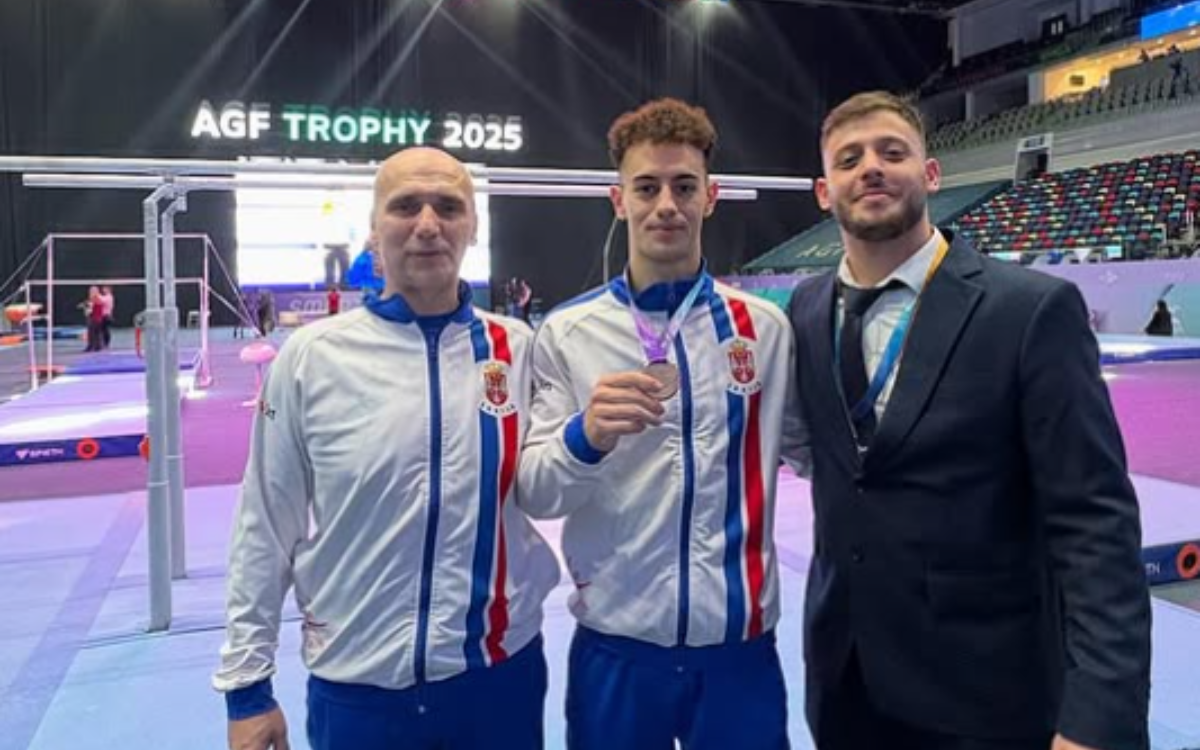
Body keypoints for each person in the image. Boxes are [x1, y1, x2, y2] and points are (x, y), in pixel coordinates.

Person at [786, 91, 1150, 750]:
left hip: (987, 695)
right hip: (846, 684)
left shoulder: (1029, 311)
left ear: (931, 174)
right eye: (849, 159)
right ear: (823, 191)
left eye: (892, 152)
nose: (871, 168)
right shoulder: (806, 310)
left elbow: (1095, 521)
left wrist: (1099, 715)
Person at [213, 146, 560, 750]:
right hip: (359, 688)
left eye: (448, 207)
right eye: (405, 206)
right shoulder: (311, 358)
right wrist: (247, 687)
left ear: (472, 227)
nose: (427, 224)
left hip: (498, 679)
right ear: (373, 229)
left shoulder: (520, 349)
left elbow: (551, 485)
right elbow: (266, 521)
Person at [519, 98, 801, 750]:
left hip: (738, 651)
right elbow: (537, 491)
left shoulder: (765, 330)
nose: (666, 205)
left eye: (684, 187)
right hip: (616, 649)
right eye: (646, 188)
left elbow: (813, 454)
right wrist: (584, 438)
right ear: (619, 201)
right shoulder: (567, 333)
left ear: (711, 197)